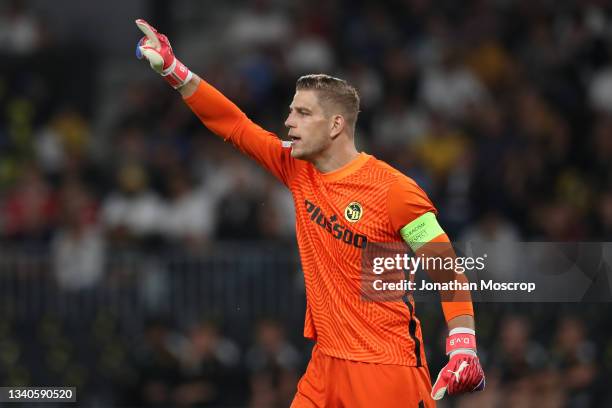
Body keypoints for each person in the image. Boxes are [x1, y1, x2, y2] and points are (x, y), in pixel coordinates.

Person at [134, 19, 485, 407]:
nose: (288, 122)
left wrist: (463, 347)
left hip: (385, 368)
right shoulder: (296, 167)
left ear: (336, 125)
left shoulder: (395, 191)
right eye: (290, 111)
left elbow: (446, 268)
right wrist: (174, 71)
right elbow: (234, 125)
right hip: (325, 364)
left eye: (302, 113)